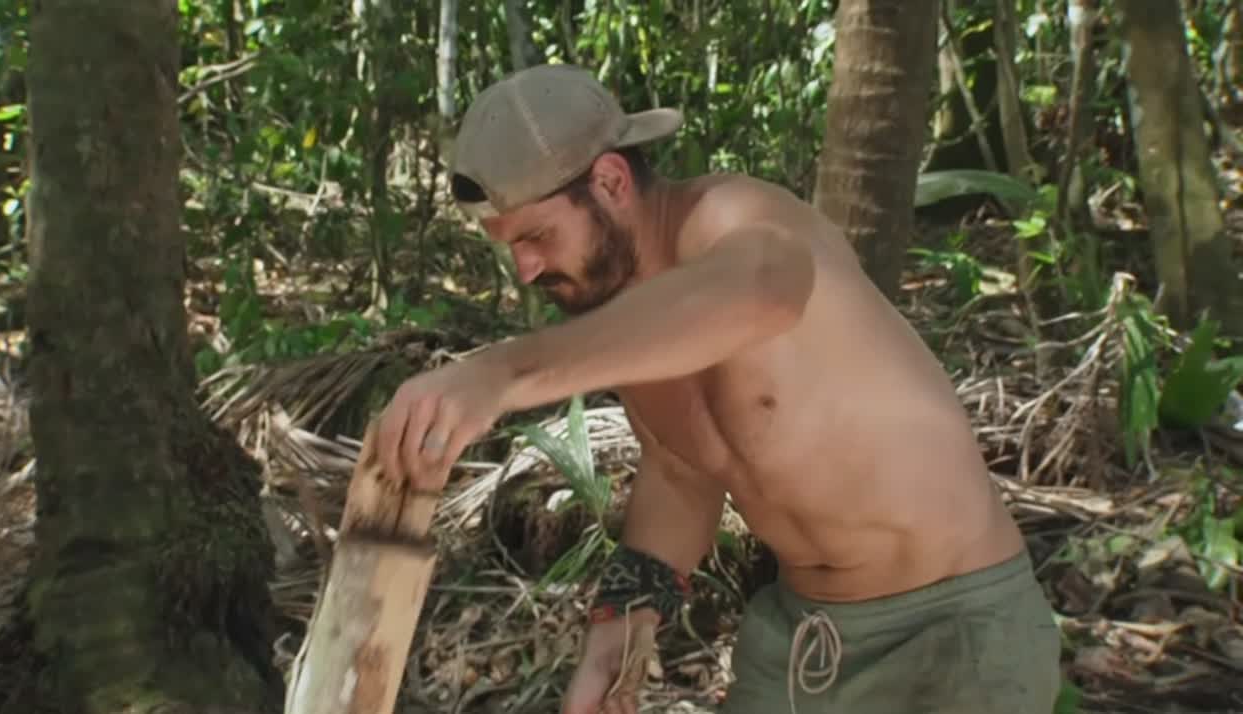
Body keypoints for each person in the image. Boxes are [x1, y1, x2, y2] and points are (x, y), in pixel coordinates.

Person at [372, 63, 1062, 714]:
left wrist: (502, 373)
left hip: (952, 636)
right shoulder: (630, 317)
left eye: (538, 236)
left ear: (611, 181)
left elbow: (764, 291)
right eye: (509, 247)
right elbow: (681, 473)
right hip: (801, 638)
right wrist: (620, 624)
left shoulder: (733, 216)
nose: (525, 269)